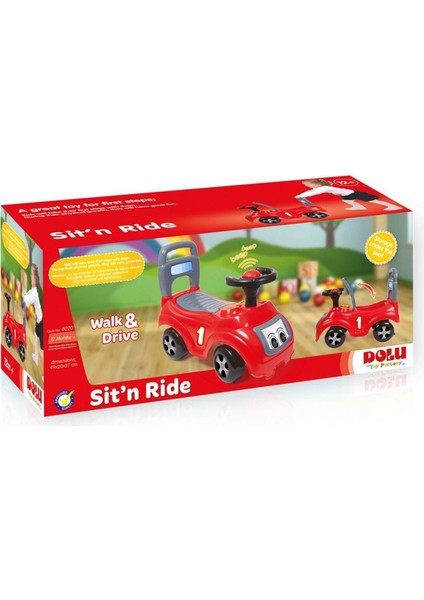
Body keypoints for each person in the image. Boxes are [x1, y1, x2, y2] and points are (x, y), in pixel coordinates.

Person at [295, 179, 399, 211]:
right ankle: (359, 207)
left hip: (352, 193)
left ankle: (393, 206)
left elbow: (313, 193)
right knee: (346, 200)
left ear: (316, 184)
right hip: (346, 194)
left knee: (373, 201)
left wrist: (300, 195)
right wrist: (300, 195)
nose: (307, 186)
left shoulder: (324, 188)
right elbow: (312, 191)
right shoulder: (319, 188)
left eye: (308, 184)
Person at [23, 264, 43, 366]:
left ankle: (44, 366)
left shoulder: (34, 293)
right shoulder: (34, 290)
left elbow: (26, 300)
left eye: (31, 275)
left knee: (42, 346)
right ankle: (35, 356)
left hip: (42, 321)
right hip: (39, 321)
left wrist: (23, 291)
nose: (30, 277)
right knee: (36, 337)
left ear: (35, 278)